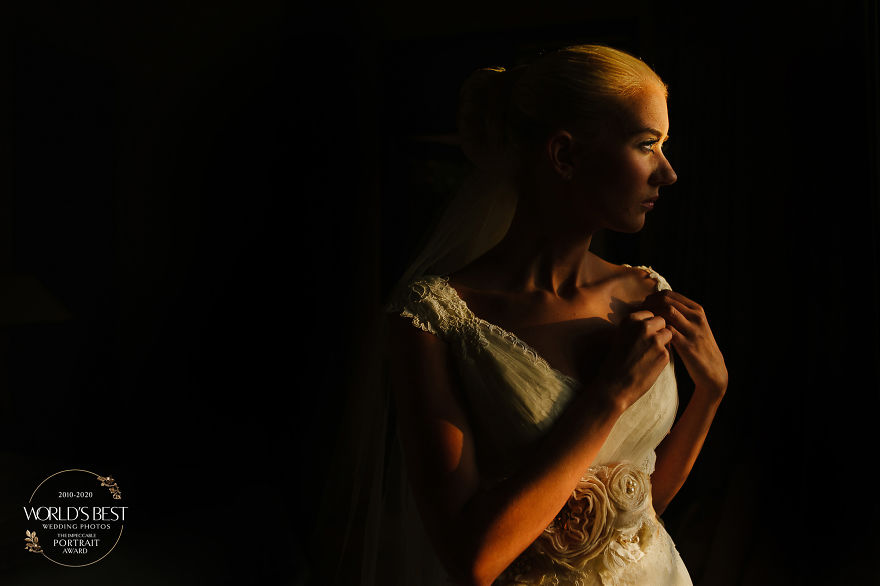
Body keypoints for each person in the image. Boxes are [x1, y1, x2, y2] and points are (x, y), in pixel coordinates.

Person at [319, 44, 728, 586]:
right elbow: (474, 560)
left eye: (663, 146)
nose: (668, 174)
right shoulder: (434, 320)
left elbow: (638, 512)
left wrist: (712, 392)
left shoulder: (647, 292)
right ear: (564, 155)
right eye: (646, 145)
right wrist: (608, 397)